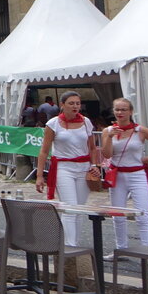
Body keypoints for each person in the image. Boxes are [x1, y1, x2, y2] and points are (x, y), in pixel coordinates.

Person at [102, 97, 148, 264]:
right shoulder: (108, 130)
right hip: (117, 175)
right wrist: (109, 137)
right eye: (117, 109)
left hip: (138, 174)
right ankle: (121, 248)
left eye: (124, 109)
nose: (120, 113)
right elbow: (107, 155)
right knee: (118, 214)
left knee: (142, 214)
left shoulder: (140, 131)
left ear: (130, 112)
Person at [35, 91, 101, 247]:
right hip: (64, 168)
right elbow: (44, 150)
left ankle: (74, 244)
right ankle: (68, 247)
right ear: (62, 105)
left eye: (77, 103)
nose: (75, 106)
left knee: (78, 209)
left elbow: (92, 147)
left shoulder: (86, 122)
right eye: (71, 103)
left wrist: (94, 165)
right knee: (70, 207)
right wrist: (39, 176)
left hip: (83, 168)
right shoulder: (53, 123)